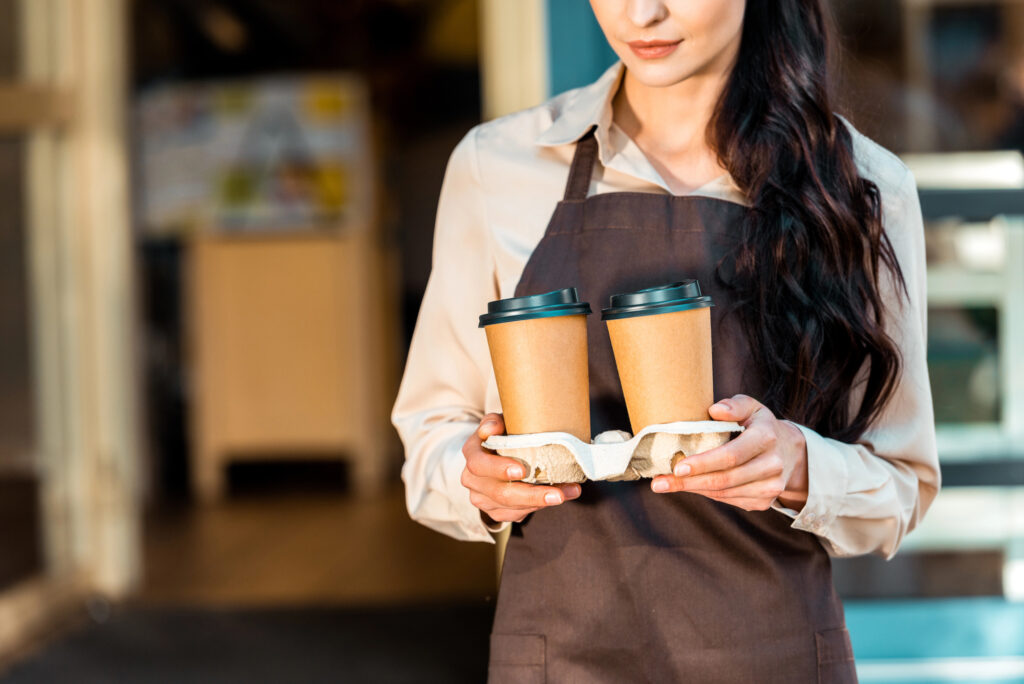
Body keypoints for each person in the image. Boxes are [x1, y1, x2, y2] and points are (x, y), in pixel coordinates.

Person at [391, 0, 940, 681]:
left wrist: (796, 465)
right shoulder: (497, 169)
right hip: (560, 660)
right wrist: (476, 478)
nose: (641, 13)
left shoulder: (858, 188)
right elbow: (431, 439)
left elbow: (902, 485)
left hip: (769, 657)